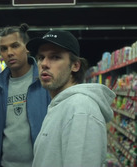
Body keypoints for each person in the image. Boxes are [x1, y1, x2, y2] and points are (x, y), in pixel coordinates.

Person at [26, 30, 116, 166]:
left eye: (55, 57)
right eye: (40, 57)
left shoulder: (81, 109)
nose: (44, 64)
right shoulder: (60, 105)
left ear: (75, 66)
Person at [0, 23, 51, 167]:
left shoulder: (45, 83)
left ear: (27, 48)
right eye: (4, 49)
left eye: (15, 46)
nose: (9, 52)